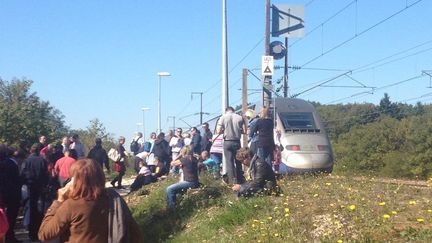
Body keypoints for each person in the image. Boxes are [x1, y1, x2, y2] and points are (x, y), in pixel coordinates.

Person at [38, 159, 143, 242]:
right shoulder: (114, 200)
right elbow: (135, 234)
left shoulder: (71, 205)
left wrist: (59, 201)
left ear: (75, 181)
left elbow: (44, 234)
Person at [21, 143, 49, 241]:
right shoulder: (43, 161)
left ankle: (31, 233)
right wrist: (45, 185)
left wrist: (25, 182)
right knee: (41, 209)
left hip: (31, 187)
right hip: (40, 187)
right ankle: (39, 231)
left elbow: (23, 174)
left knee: (32, 208)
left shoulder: (27, 161)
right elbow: (46, 175)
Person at [216, 106, 247, 184]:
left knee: (229, 162)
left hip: (227, 142)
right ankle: (240, 179)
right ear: (233, 110)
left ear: (226, 111)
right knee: (239, 160)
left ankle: (231, 182)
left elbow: (218, 131)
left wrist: (224, 130)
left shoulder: (222, 117)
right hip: (236, 141)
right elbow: (244, 131)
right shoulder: (239, 117)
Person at [0, 145, 22, 242]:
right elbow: (16, 181)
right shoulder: (11, 163)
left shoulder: (4, 163)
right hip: (12, 194)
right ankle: (10, 236)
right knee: (11, 217)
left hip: (3, 194)